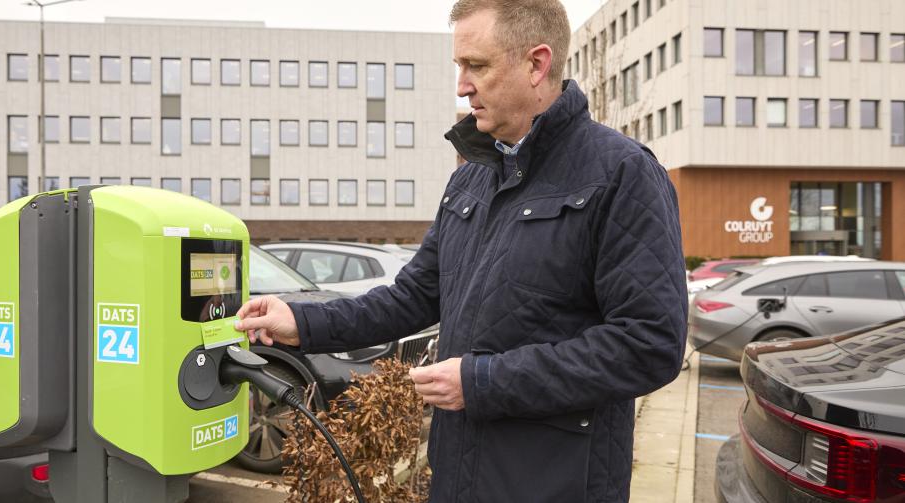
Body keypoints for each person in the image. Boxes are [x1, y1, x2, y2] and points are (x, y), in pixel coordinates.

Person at [234, 0, 688, 500]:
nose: (462, 85)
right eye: (459, 66)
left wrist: (482, 382)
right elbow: (410, 297)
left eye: (477, 66)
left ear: (537, 64)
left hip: (556, 485)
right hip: (458, 479)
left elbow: (649, 345)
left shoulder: (621, 174)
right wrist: (301, 322)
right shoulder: (471, 179)